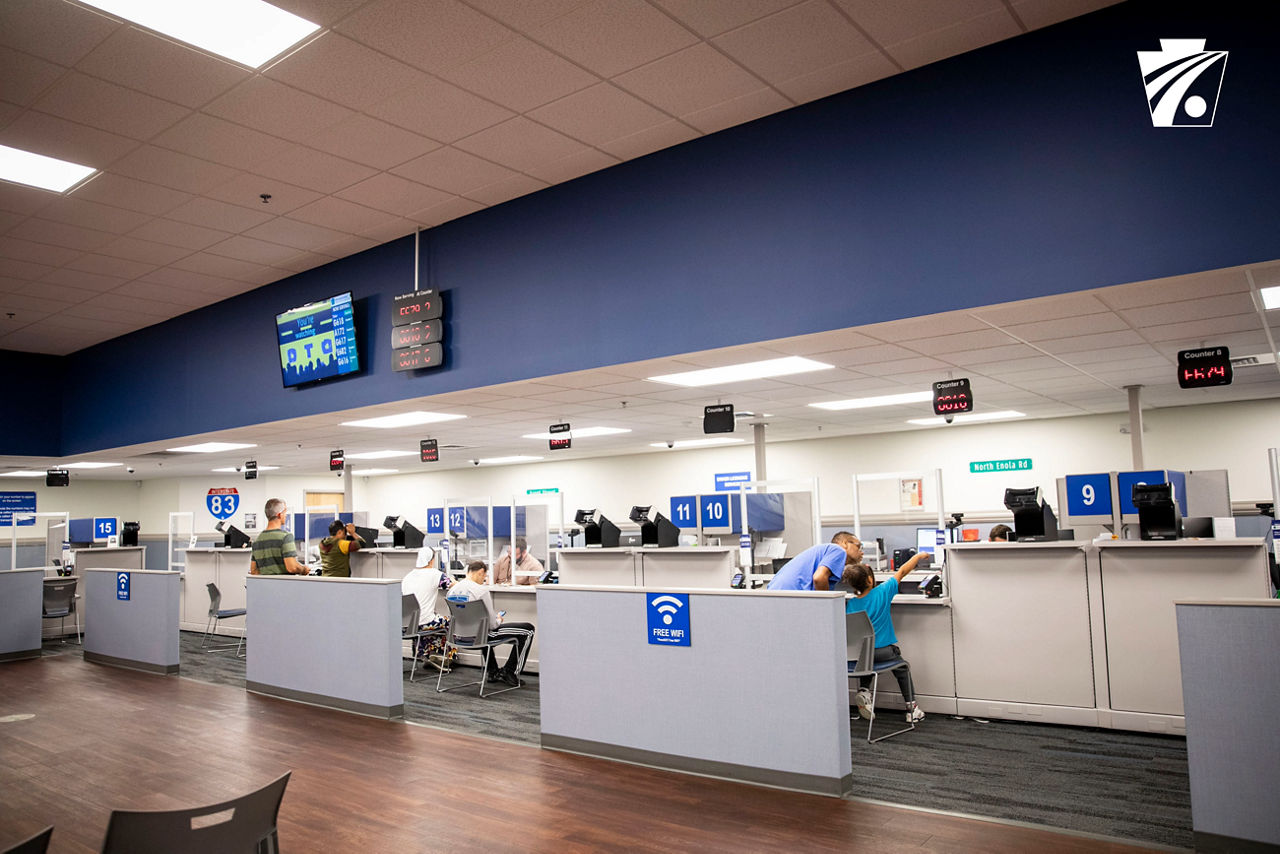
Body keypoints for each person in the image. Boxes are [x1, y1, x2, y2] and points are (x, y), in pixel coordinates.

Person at [843, 550, 932, 723]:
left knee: (867, 660)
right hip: (884, 652)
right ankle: (912, 709)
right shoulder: (882, 592)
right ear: (870, 580)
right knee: (902, 668)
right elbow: (903, 571)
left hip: (861, 655)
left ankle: (864, 691)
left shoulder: (850, 604)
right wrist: (918, 556)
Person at [445, 560, 535, 687]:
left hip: (457, 637)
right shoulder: (481, 591)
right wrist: (498, 619)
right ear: (481, 572)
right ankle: (510, 672)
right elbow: (493, 625)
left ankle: (493, 671)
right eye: (484, 576)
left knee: (481, 627)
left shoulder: (451, 591)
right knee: (528, 630)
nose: (484, 580)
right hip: (479, 638)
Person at [402, 546, 451, 668]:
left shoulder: (407, 577)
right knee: (449, 622)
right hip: (424, 623)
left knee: (429, 617)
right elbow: (452, 584)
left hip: (407, 626)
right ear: (431, 560)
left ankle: (424, 653)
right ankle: (447, 658)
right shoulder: (435, 574)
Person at [767, 532, 863, 591]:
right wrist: (825, 606)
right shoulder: (838, 550)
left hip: (777, 593)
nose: (861, 552)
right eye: (858, 546)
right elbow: (819, 578)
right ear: (845, 543)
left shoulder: (825, 551)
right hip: (788, 595)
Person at [249, 498, 311, 576]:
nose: (286, 515)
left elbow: (254, 571)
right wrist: (304, 569)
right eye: (285, 512)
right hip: (284, 583)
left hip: (264, 584)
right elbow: (292, 567)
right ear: (279, 515)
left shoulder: (257, 540)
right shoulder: (285, 537)